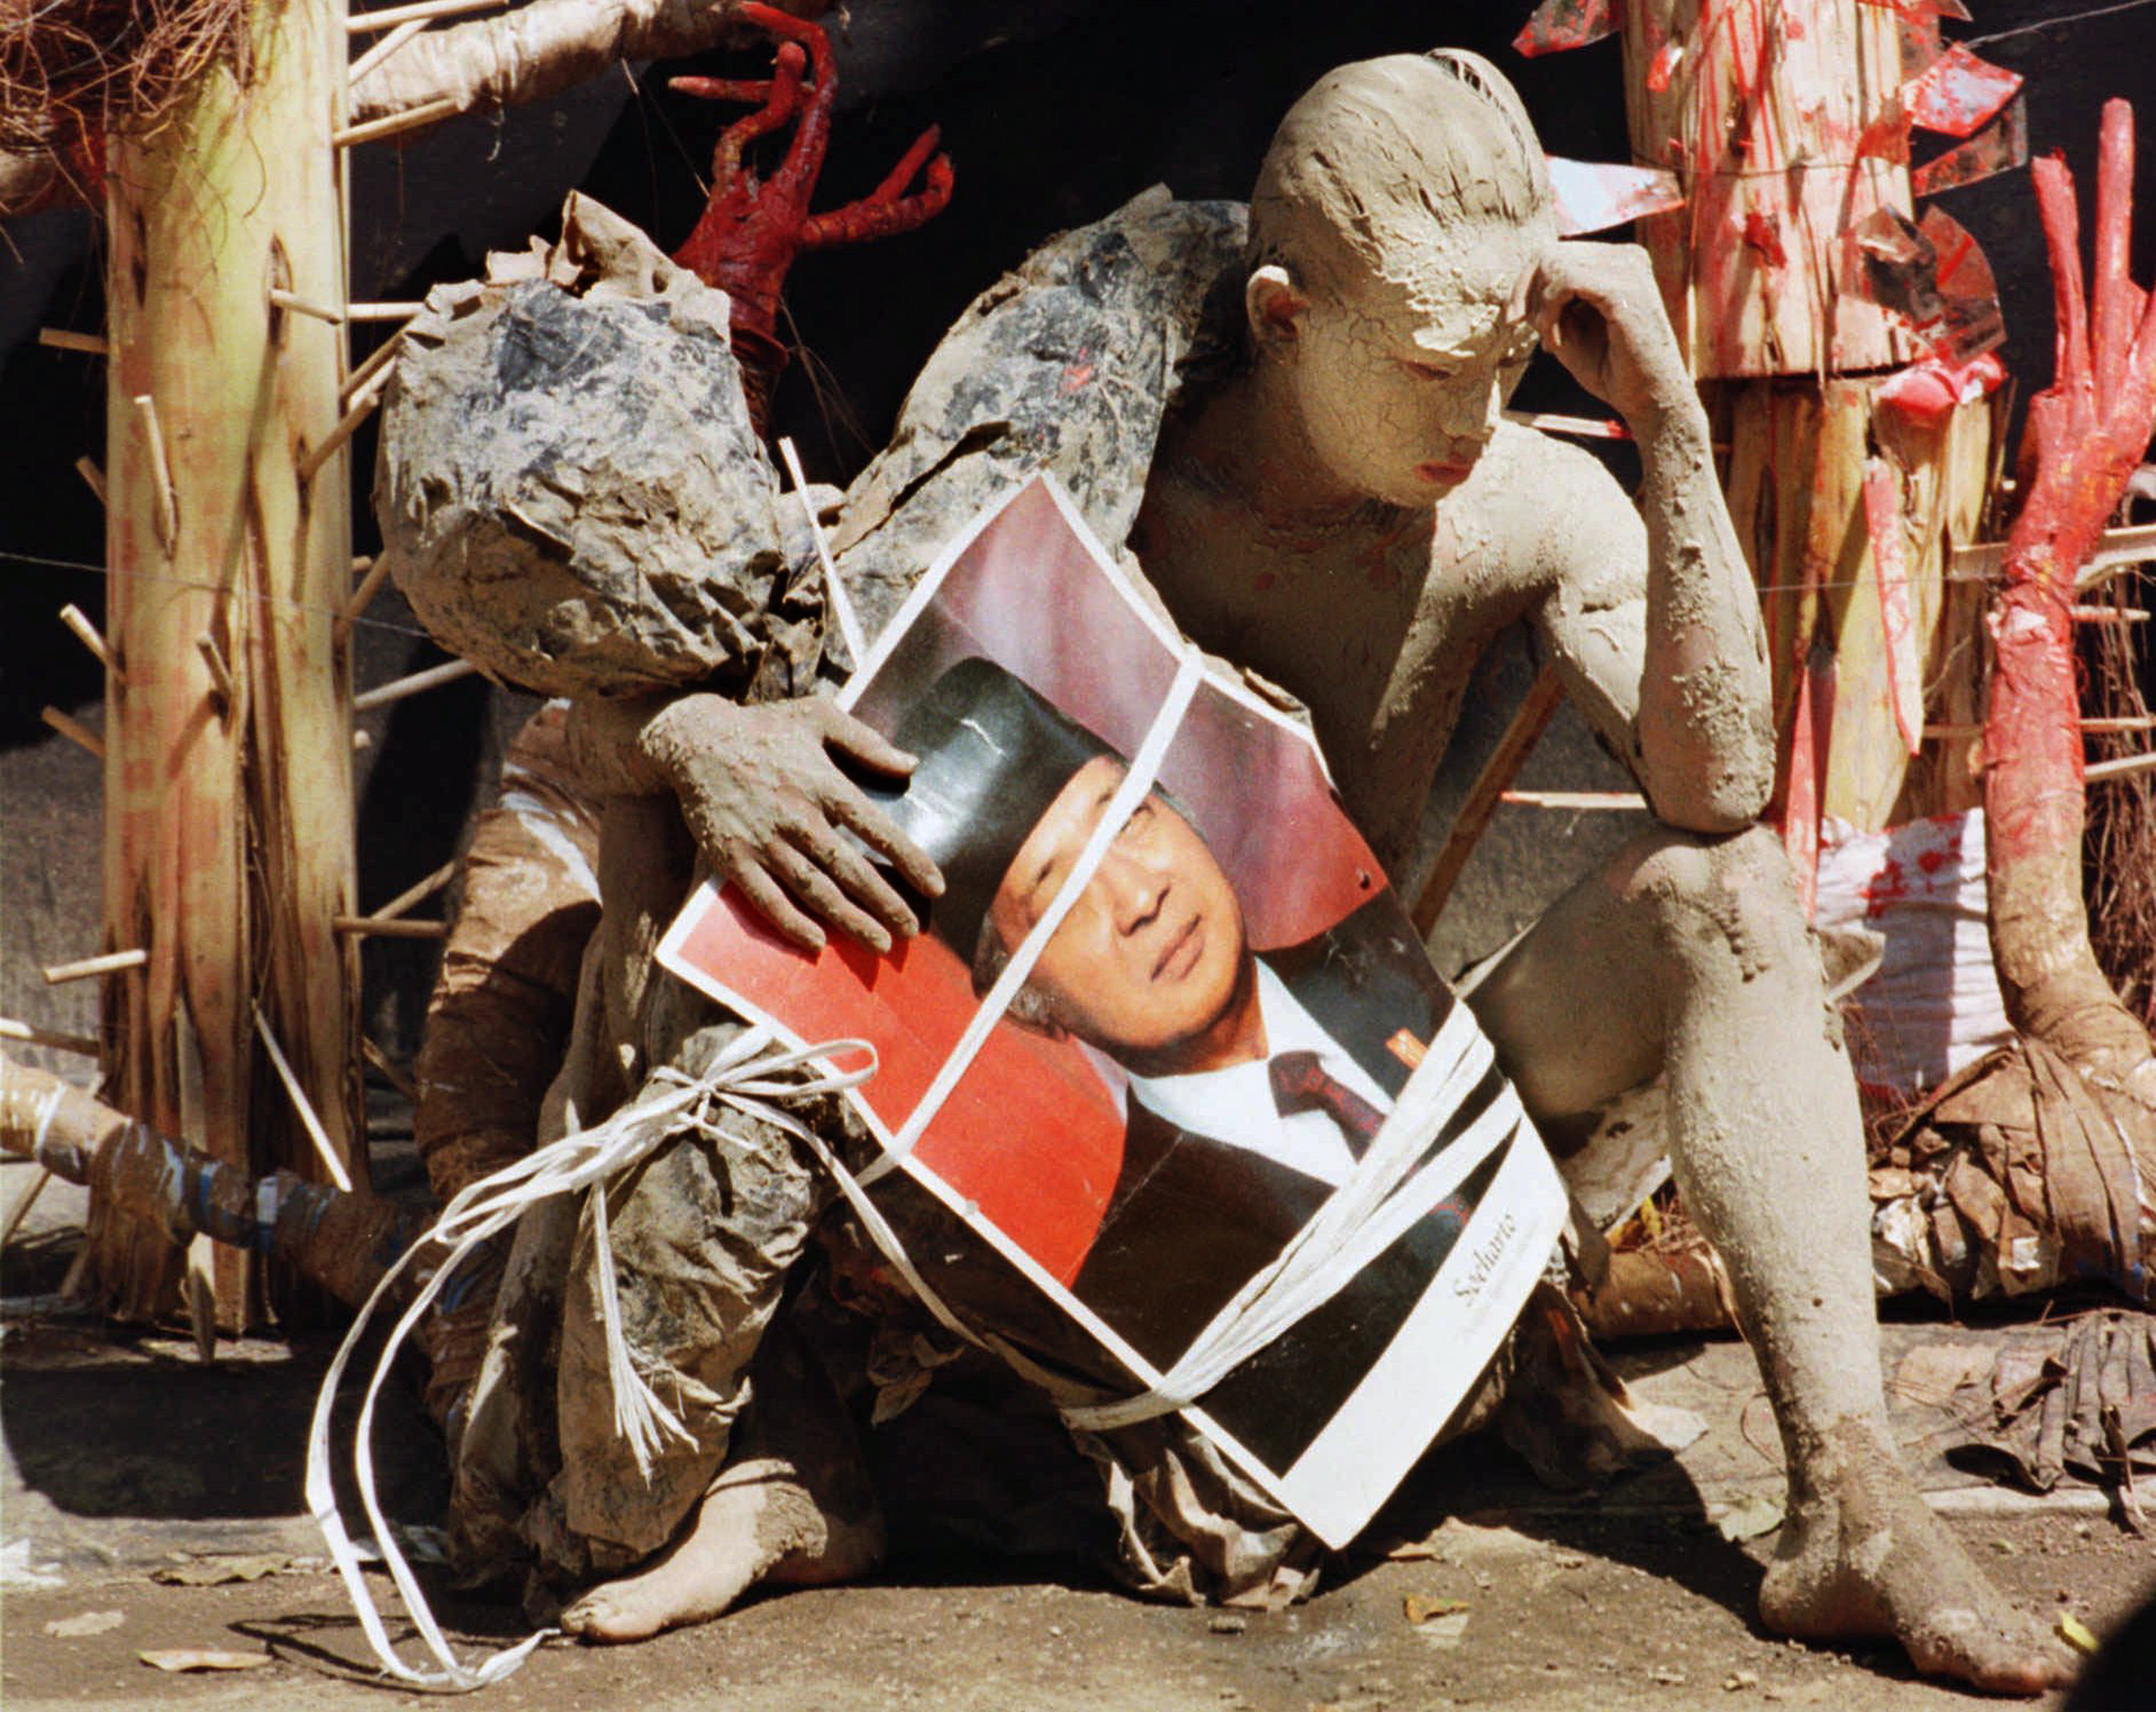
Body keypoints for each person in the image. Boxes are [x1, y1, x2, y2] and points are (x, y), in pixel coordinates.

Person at [411, 46, 2069, 1693]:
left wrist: (1671, 434)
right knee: (726, 857)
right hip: (1009, 1140)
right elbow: (773, 685)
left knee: (1728, 896)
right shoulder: (1081, 444)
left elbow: (1715, 792)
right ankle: (791, 1458)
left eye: (1503, 362)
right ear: (1280, 316)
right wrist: (693, 735)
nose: (1471, 417)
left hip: (1371, 1110)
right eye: (1425, 369)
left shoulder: (1521, 506)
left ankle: (1850, 1504)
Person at [875, 656, 1501, 1386]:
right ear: (1023, 1001)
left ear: (1181, 807)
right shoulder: (1141, 1299)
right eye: (1059, 900)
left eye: (1129, 819)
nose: (1141, 899)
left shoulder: (1390, 958)